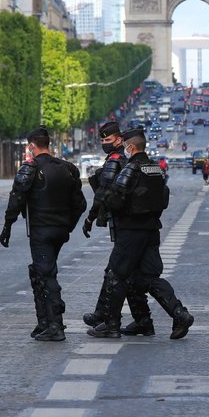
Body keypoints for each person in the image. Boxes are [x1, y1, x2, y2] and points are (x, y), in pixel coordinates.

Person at [86, 127, 194, 340]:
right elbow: (163, 198)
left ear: (131, 146)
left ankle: (112, 325)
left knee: (116, 275)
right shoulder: (155, 169)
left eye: (125, 145)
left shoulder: (131, 169)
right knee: (149, 278)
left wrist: (105, 197)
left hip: (130, 230)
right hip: (151, 229)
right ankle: (179, 313)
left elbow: (115, 200)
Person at [0, 127, 87, 342]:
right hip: (59, 230)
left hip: (40, 230)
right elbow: (80, 204)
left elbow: (16, 200)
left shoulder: (29, 169)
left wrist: (7, 227)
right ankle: (44, 322)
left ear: (31, 146)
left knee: (46, 275)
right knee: (39, 273)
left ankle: (55, 324)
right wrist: (68, 225)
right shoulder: (67, 168)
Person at [81, 121, 154, 337]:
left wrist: (91, 217)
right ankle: (142, 319)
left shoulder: (115, 161)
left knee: (115, 272)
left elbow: (104, 193)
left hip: (124, 224)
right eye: (102, 140)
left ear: (120, 140)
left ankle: (106, 317)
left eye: (108, 139)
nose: (105, 143)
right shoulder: (128, 161)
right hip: (139, 224)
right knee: (130, 274)